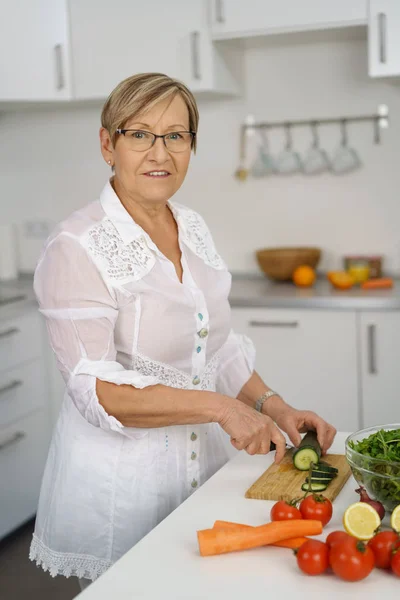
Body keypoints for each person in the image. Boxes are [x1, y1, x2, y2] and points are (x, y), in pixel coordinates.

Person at [29, 73, 336, 590]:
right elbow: (96, 390)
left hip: (205, 470)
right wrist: (221, 409)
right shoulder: (75, 246)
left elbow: (216, 350)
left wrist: (273, 405)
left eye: (177, 135)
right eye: (141, 133)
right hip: (123, 486)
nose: (160, 152)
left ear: (192, 145)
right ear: (108, 143)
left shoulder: (190, 225)